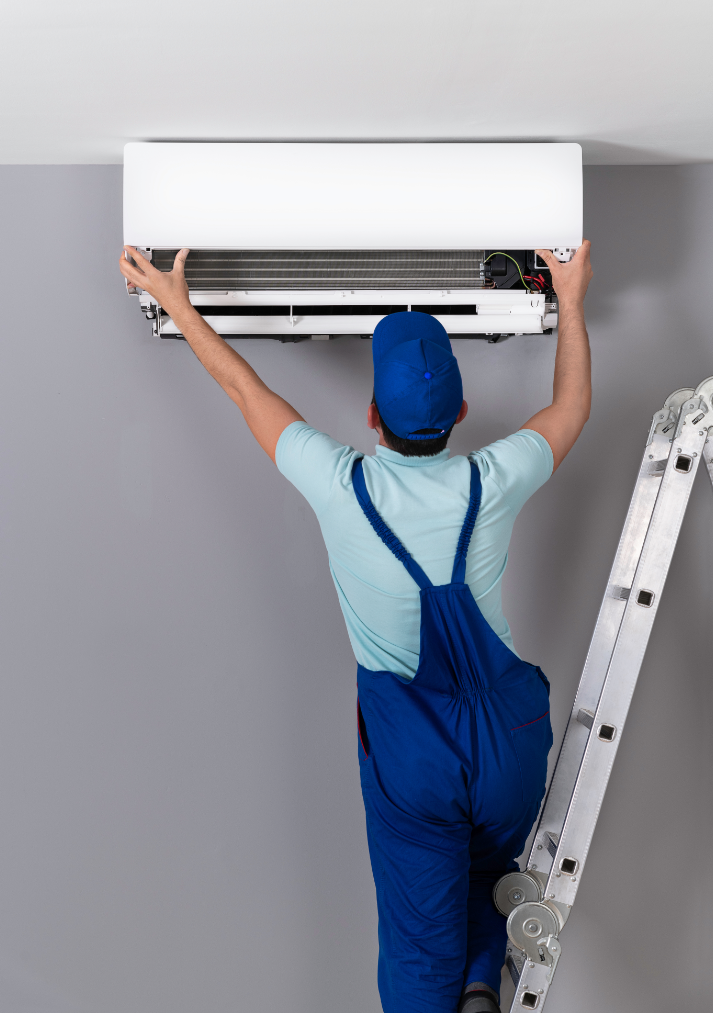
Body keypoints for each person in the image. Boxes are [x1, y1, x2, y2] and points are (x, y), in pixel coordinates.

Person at [119, 242, 593, 1013]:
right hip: (508, 737)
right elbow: (569, 406)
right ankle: (480, 984)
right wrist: (567, 299)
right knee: (486, 874)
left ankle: (450, 989)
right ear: (462, 416)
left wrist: (178, 304)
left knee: (416, 933)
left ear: (372, 416)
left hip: (415, 747)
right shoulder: (492, 478)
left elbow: (245, 390)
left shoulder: (340, 484)